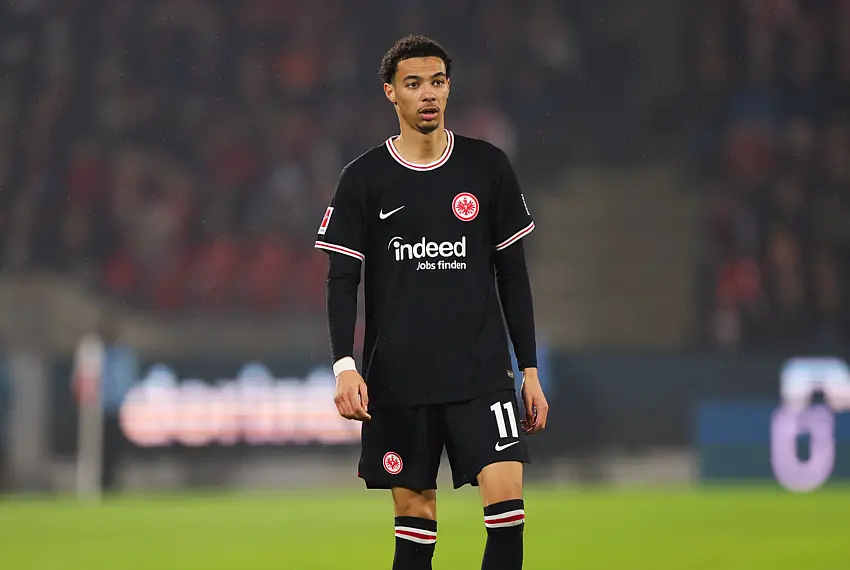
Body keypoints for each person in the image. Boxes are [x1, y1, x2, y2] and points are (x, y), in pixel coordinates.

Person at [315, 35, 549, 570]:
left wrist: (529, 369)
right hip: (401, 380)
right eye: (414, 83)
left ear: (449, 89)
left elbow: (513, 275)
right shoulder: (364, 179)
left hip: (481, 374)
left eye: (438, 82)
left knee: (508, 515)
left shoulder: (487, 167)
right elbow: (341, 279)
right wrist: (344, 366)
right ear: (390, 92)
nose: (428, 94)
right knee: (416, 533)